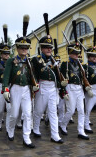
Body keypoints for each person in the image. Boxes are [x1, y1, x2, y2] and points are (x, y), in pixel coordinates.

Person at [2, 15, 37, 148]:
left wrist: (34, 85)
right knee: (14, 114)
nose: (24, 50)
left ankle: (26, 137)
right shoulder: (11, 61)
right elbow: (6, 77)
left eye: (26, 48)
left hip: (26, 90)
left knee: (28, 114)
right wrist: (5, 89)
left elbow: (32, 75)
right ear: (17, 48)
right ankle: (10, 130)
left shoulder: (29, 61)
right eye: (22, 48)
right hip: (15, 89)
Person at [32, 13, 64, 144]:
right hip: (42, 87)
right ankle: (35, 128)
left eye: (50, 47)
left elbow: (57, 75)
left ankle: (55, 135)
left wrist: (62, 87)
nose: (49, 49)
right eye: (46, 47)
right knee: (39, 111)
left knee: (53, 112)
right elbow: (33, 73)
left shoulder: (54, 60)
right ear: (41, 48)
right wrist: (33, 87)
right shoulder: (36, 60)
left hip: (52, 89)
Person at [59, 20, 91, 140]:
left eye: (78, 53)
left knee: (81, 111)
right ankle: (62, 124)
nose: (77, 55)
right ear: (70, 53)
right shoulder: (65, 64)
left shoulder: (81, 65)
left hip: (79, 89)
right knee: (71, 110)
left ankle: (81, 131)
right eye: (75, 53)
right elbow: (61, 79)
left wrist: (86, 85)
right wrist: (63, 92)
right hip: (70, 88)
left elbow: (84, 77)